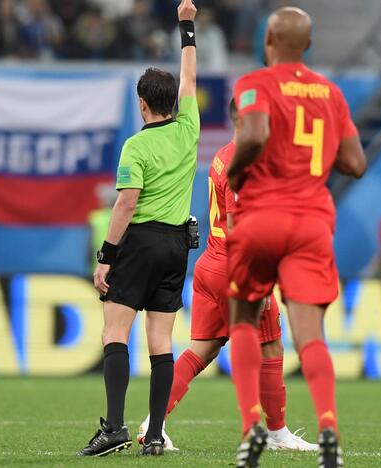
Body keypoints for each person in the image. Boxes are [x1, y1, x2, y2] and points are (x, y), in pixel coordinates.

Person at [225, 7, 366, 467]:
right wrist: (317, 160)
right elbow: (355, 164)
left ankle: (252, 429)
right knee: (311, 335)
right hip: (310, 223)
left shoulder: (253, 84)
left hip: (261, 217)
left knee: (243, 318)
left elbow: (255, 133)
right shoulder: (331, 93)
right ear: (308, 44)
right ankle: (328, 425)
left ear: (268, 39)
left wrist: (236, 170)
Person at [134, 99, 317, 452]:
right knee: (270, 344)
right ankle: (277, 433)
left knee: (202, 350)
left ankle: (151, 424)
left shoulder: (222, 154)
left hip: (210, 266)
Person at [78, 0, 199, 457]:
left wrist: (105, 256)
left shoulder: (136, 145)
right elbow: (189, 75)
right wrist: (187, 28)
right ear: (175, 103)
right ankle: (154, 434)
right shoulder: (189, 128)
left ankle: (113, 428)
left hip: (142, 240)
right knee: (162, 340)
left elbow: (126, 204)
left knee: (115, 330)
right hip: (177, 245)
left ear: (143, 104)